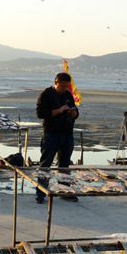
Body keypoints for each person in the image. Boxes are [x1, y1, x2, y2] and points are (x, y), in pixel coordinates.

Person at [35, 72, 79, 203]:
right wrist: (58, 110)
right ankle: (41, 193)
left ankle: (64, 191)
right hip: (51, 134)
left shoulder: (68, 95)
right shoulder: (46, 94)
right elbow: (40, 113)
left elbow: (75, 111)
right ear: (56, 83)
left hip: (67, 134)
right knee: (45, 164)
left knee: (65, 165)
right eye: (63, 86)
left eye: (67, 86)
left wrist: (73, 113)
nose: (65, 89)